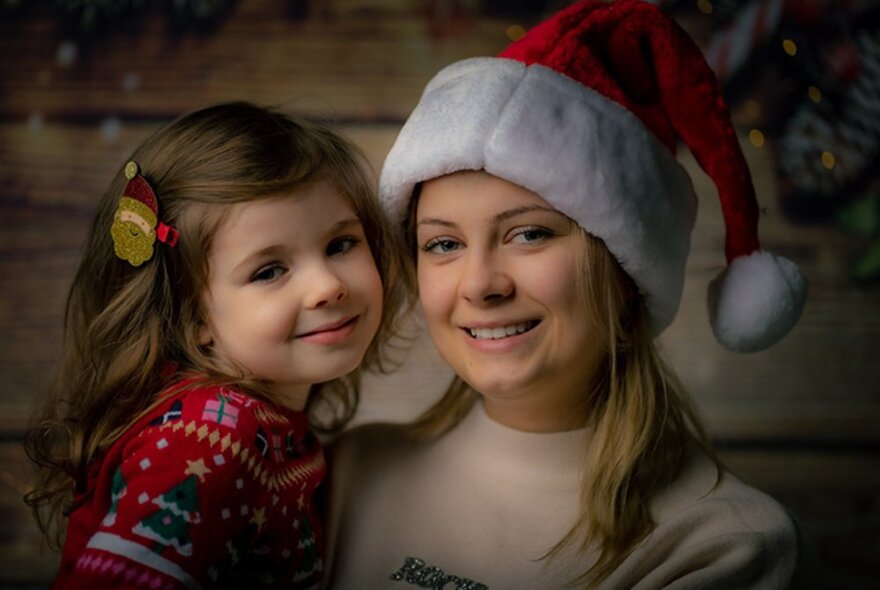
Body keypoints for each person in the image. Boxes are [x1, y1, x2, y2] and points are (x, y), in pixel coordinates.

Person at [325, 1, 811, 588]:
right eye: (443, 245)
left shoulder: (721, 543)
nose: (480, 284)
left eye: (529, 234)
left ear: (625, 272)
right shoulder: (346, 471)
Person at [24, 101, 402, 589]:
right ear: (190, 316)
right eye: (269, 271)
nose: (327, 286)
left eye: (340, 244)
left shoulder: (271, 428)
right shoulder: (211, 439)